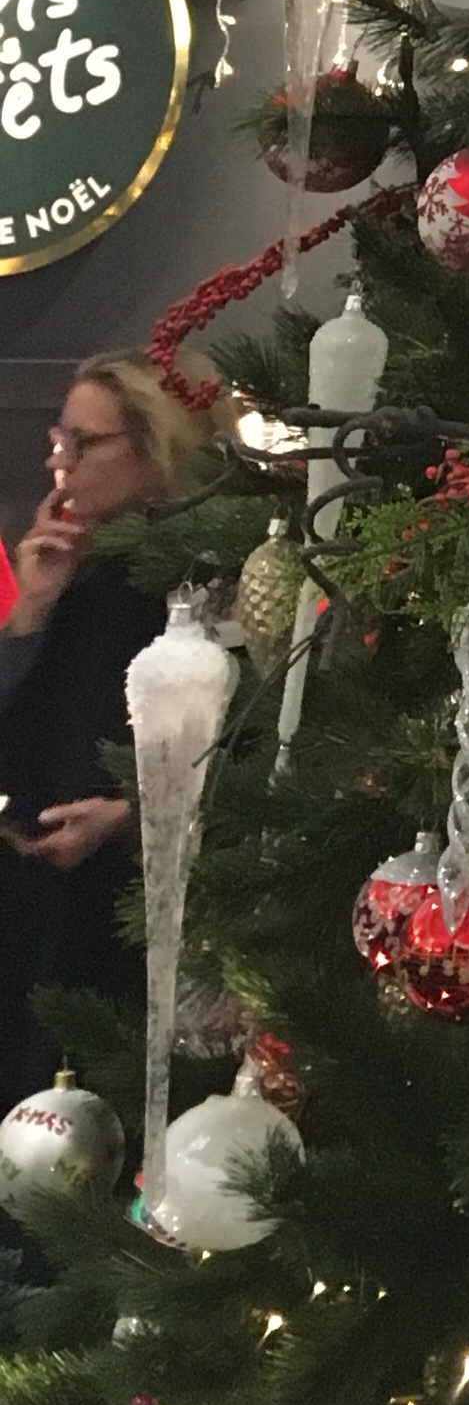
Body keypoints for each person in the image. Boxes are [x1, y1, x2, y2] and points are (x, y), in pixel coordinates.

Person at [0, 360, 203, 1107]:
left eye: (85, 445)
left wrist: (129, 818)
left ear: (152, 449)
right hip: (34, 913)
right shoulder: (71, 569)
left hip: (135, 925)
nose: (62, 466)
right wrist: (31, 611)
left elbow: (256, 756)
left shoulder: (205, 575)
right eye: (60, 442)